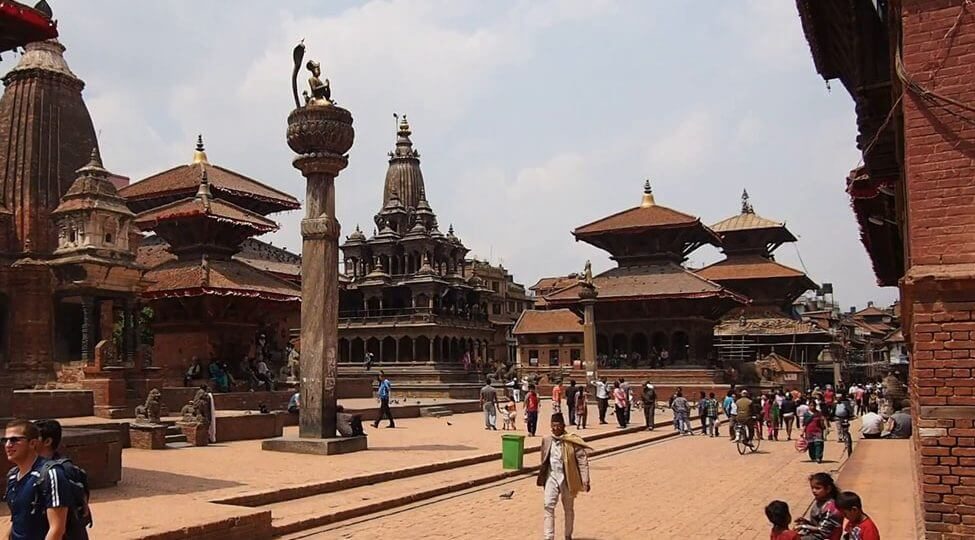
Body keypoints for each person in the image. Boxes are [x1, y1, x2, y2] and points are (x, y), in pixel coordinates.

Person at [3, 419, 72, 540]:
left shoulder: (51, 474)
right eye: (5, 440)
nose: (8, 444)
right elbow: (18, 519)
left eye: (14, 440)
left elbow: (57, 529)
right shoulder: (12, 476)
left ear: (32, 443)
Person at [33, 420, 91, 539]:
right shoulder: (31, 467)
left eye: (35, 438)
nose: (30, 442)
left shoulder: (63, 470)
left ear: (48, 441)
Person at [537, 413, 591, 540]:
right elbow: (544, 459)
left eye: (558, 425)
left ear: (563, 426)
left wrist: (585, 480)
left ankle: (568, 535)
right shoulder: (546, 439)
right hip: (552, 476)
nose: (555, 428)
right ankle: (548, 536)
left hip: (568, 478)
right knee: (548, 505)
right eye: (553, 426)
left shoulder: (572, 441)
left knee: (568, 508)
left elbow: (582, 460)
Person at [795, 472, 843, 540]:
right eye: (812, 488)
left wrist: (804, 526)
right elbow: (818, 523)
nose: (814, 491)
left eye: (818, 488)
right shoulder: (820, 501)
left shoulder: (830, 508)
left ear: (828, 489)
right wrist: (805, 521)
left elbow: (823, 529)